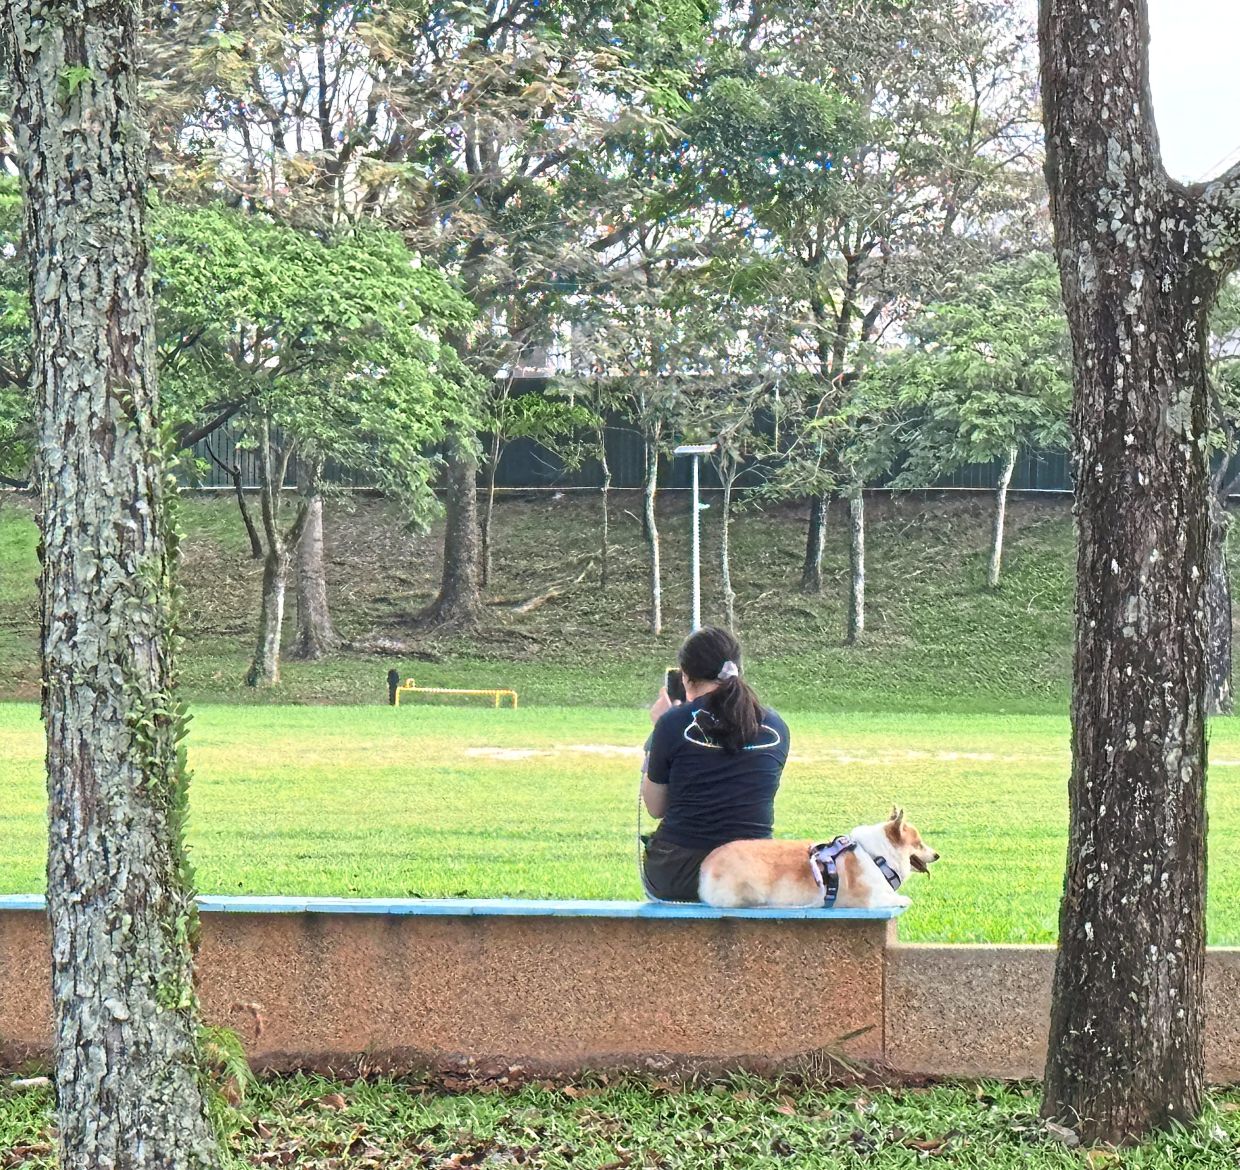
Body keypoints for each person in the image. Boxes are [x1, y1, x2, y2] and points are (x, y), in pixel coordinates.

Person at [640, 626, 790, 901]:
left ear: (685, 676)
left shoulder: (673, 723)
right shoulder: (776, 726)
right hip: (754, 872)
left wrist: (656, 735)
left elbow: (655, 807)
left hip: (680, 873)